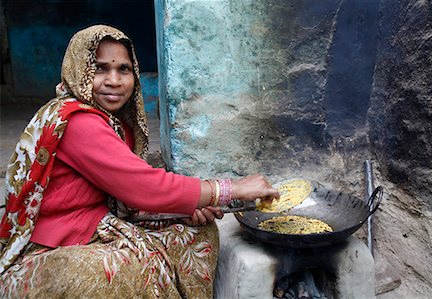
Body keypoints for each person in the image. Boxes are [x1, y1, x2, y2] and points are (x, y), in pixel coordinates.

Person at [0, 25, 279, 298]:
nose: (114, 80)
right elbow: (143, 187)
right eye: (99, 68)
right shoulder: (77, 122)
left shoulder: (111, 122)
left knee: (193, 232)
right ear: (77, 70)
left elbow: (124, 192)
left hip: (93, 224)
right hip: (53, 244)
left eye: (124, 69)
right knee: (110, 273)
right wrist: (230, 189)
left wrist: (178, 210)